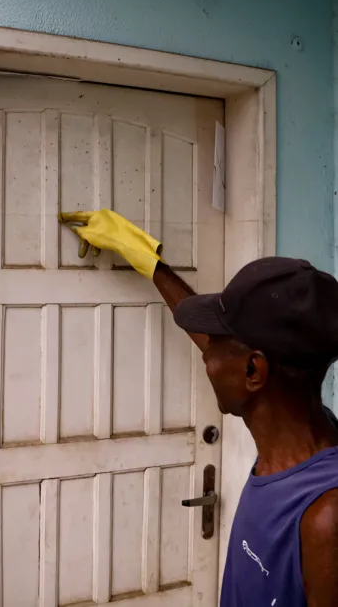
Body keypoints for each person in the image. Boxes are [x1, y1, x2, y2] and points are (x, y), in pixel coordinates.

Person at [60, 209, 338, 607]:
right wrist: (144, 258)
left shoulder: (325, 517)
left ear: (253, 371)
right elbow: (214, 346)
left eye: (217, 343)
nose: (206, 358)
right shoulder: (300, 432)